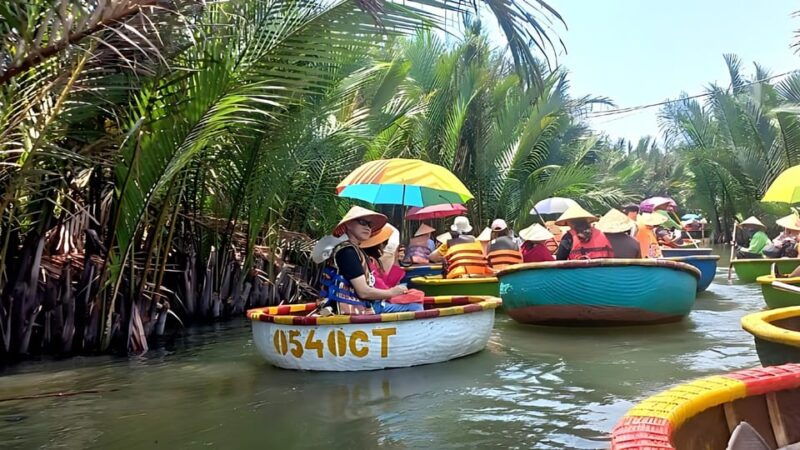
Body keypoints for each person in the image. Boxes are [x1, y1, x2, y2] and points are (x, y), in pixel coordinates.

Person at [320, 206, 420, 315]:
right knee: (415, 306)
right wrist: (391, 292)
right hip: (350, 309)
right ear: (348, 224)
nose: (368, 227)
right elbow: (363, 292)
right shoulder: (347, 252)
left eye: (370, 225)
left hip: (363, 306)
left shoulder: (355, 250)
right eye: (363, 222)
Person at [361, 224, 406, 289]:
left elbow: (389, 282)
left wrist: (396, 258)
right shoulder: (369, 262)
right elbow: (382, 287)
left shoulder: (375, 261)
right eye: (385, 243)